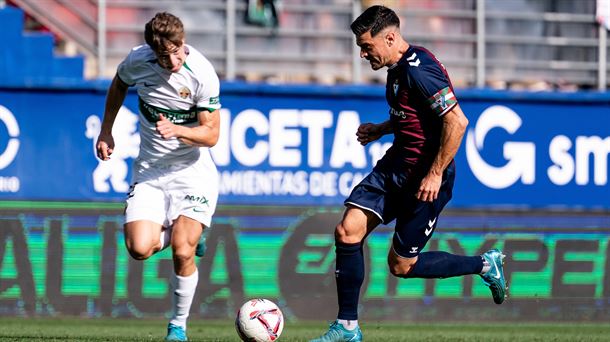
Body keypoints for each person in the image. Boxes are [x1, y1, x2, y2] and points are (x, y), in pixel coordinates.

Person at [310, 6, 507, 342]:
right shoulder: (397, 68)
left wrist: (434, 174)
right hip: (396, 166)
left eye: (367, 46)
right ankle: (347, 327)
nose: (362, 53)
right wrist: (383, 129)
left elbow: (456, 122)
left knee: (402, 267)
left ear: (390, 37)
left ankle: (485, 265)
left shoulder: (420, 70)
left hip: (425, 180)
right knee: (347, 231)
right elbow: (416, 116)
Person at [95, 12, 221, 342]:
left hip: (192, 172)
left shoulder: (202, 73)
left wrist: (177, 130)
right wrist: (106, 130)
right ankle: (187, 233)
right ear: (154, 51)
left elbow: (211, 135)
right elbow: (119, 84)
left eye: (178, 50)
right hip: (150, 171)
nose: (174, 59)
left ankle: (178, 326)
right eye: (166, 55)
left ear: (183, 42)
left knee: (182, 251)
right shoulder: (139, 61)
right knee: (139, 248)